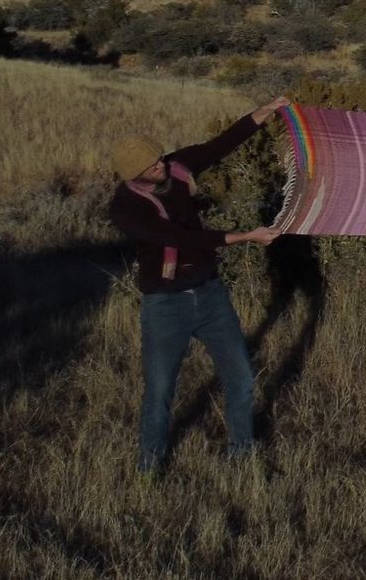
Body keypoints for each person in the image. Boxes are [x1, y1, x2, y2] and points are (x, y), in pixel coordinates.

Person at [109, 97, 289, 473]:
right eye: (151, 165)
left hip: (209, 294)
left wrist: (267, 110)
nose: (160, 164)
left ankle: (242, 453)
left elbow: (220, 145)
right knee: (160, 391)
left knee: (240, 376)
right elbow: (180, 237)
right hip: (166, 304)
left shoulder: (177, 168)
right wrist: (245, 237)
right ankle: (149, 467)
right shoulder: (126, 207)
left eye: (158, 157)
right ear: (134, 175)